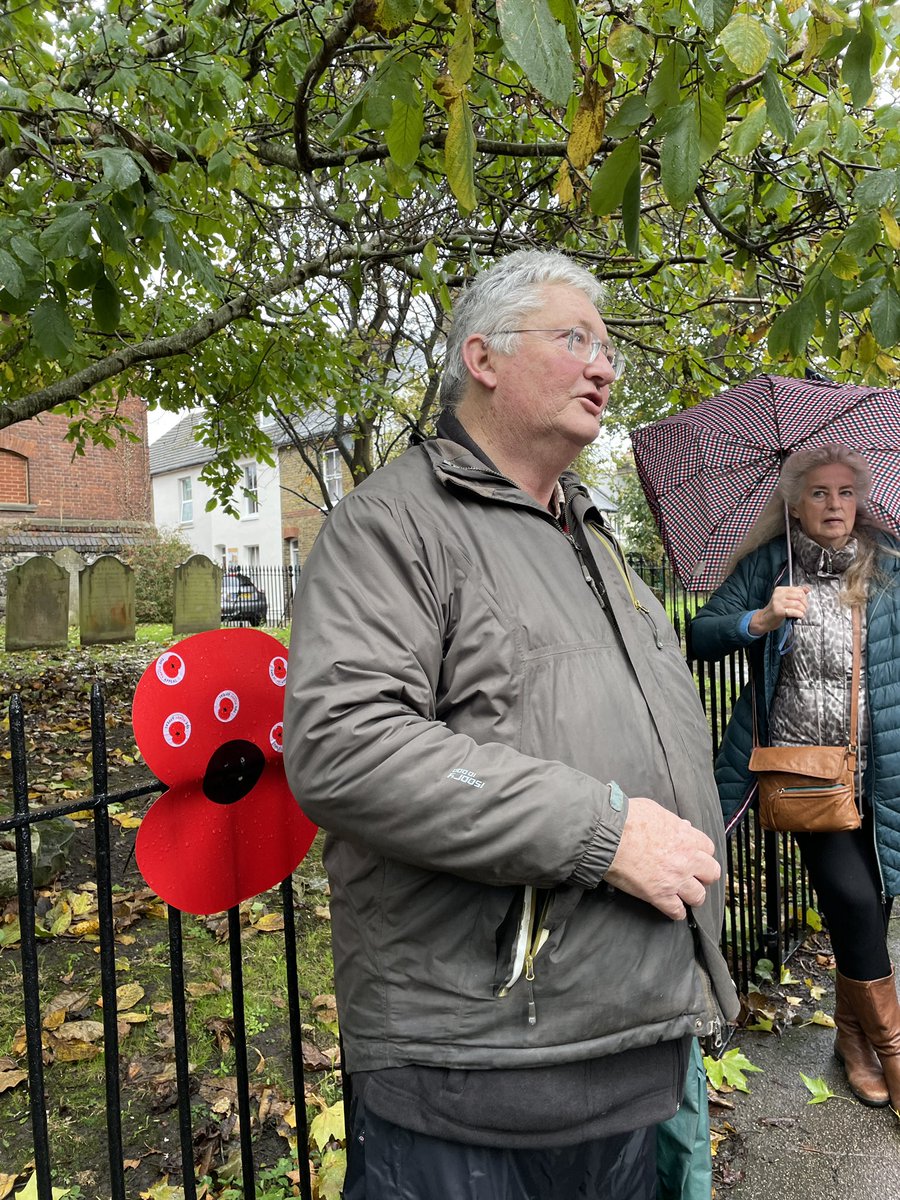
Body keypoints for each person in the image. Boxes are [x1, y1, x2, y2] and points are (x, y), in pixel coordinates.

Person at [283, 249, 739, 1199]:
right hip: (473, 1078)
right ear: (482, 357)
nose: (604, 366)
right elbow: (344, 745)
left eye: (608, 346)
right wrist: (606, 833)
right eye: (575, 339)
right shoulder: (393, 524)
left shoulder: (594, 537)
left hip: (625, 1056)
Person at [691, 443, 900, 1112]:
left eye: (844, 492)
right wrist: (761, 617)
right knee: (857, 901)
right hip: (805, 773)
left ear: (859, 499)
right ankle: (894, 1052)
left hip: (884, 770)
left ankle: (852, 1041)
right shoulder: (768, 568)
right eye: (818, 493)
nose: (833, 504)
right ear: (795, 503)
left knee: (869, 908)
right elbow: (698, 634)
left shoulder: (889, 566)